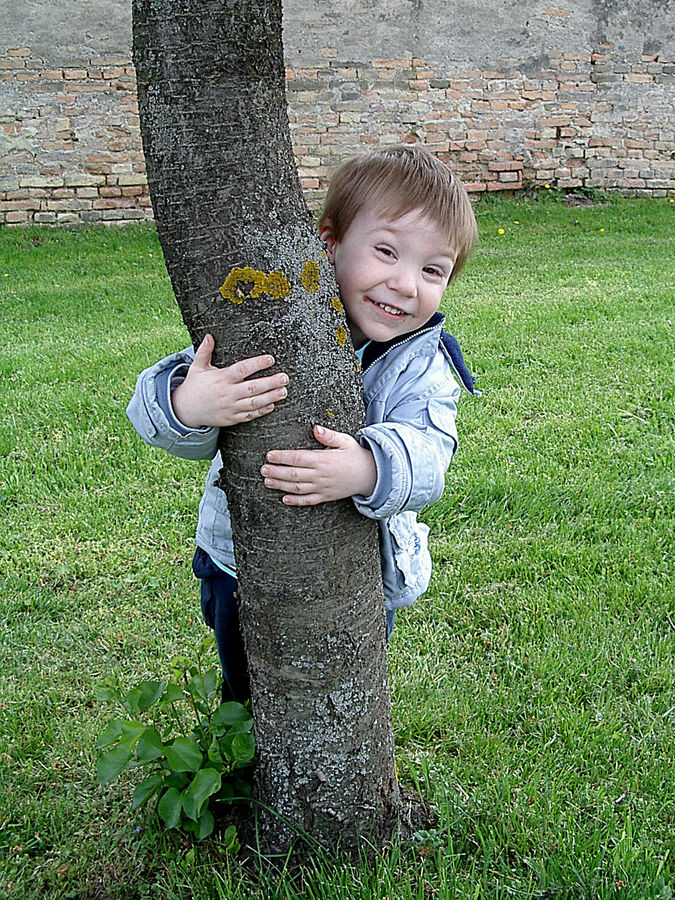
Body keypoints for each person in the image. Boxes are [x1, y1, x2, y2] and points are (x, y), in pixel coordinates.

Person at [127, 145, 478, 703]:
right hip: (239, 560)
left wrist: (367, 467)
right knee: (249, 693)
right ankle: (241, 767)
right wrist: (192, 405)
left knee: (343, 694)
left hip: (360, 577)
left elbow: (432, 454)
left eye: (432, 269)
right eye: (386, 251)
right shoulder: (277, 320)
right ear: (329, 241)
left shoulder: (424, 363)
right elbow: (149, 406)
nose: (407, 284)